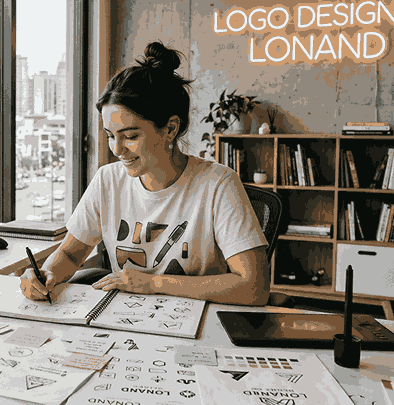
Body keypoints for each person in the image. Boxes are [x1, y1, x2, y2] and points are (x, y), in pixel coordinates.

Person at [20, 41, 270, 306]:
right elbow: (71, 254)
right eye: (110, 136)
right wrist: (47, 273)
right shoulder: (107, 180)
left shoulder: (218, 184)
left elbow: (254, 287)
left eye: (130, 136)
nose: (117, 150)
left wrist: (154, 283)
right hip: (126, 318)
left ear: (171, 129)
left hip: (195, 322)